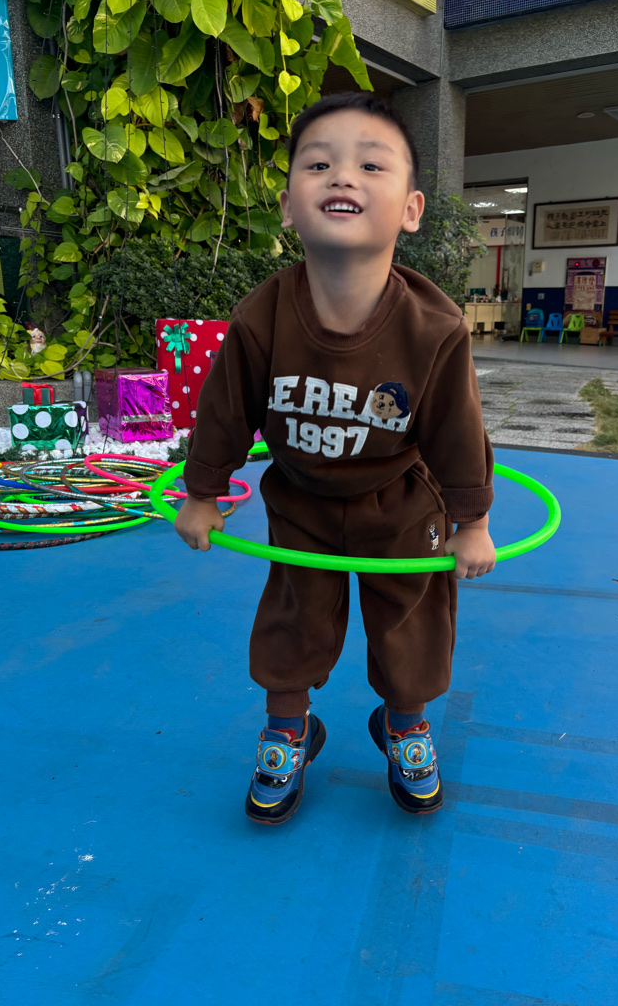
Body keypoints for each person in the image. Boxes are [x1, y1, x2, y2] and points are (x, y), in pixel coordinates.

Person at [174, 93, 496, 825]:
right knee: (294, 616)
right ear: (288, 205)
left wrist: (472, 522)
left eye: (370, 165)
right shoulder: (262, 315)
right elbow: (225, 411)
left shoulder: (435, 326)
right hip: (302, 499)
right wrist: (203, 492)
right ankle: (288, 728)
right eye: (318, 164)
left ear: (410, 209)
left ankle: (404, 724)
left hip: (400, 500)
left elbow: (458, 432)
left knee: (410, 617)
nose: (343, 176)